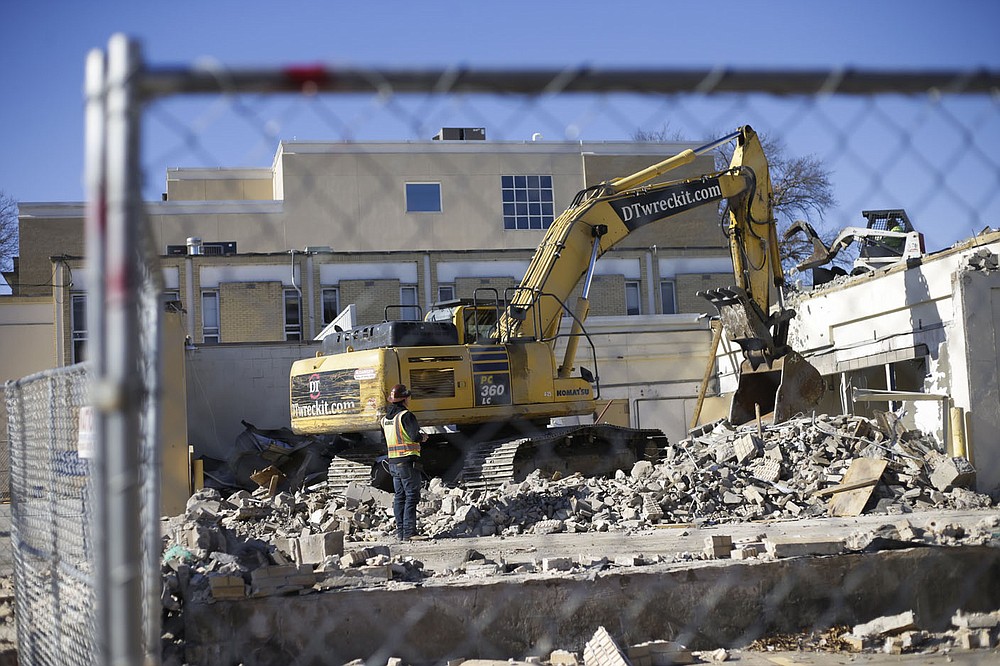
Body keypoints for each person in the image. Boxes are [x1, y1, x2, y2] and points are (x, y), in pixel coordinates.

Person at [381, 383, 428, 541]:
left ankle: (401, 532)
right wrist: (423, 437)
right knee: (412, 496)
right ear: (405, 399)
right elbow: (415, 436)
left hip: (393, 463)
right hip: (407, 462)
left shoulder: (385, 420)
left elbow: (385, 440)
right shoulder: (406, 416)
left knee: (400, 497)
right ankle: (409, 532)